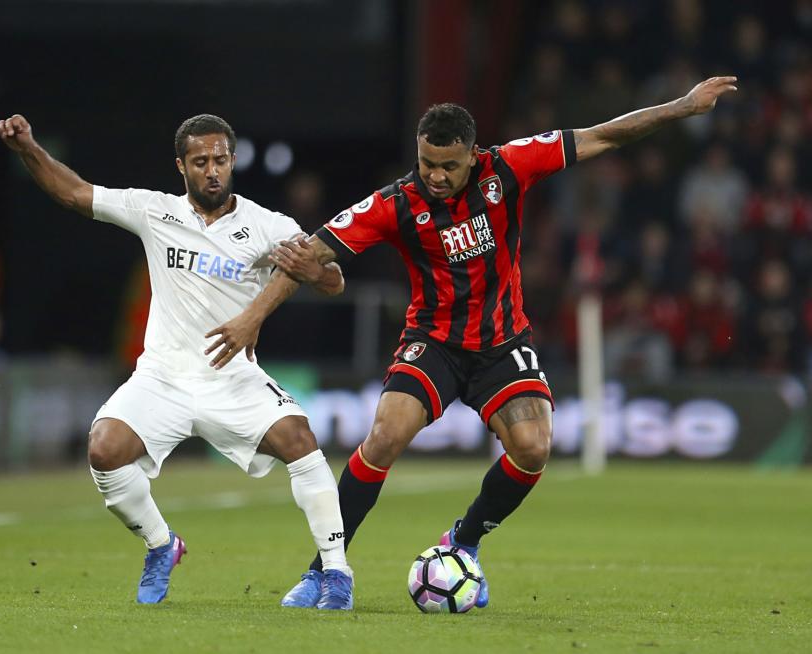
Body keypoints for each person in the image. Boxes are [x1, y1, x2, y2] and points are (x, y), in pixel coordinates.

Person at [205, 76, 738, 608]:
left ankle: (463, 543)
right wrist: (252, 318)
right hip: (432, 342)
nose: (435, 176)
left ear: (472, 156)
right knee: (385, 436)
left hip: (502, 344)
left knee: (532, 449)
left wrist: (682, 107)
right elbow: (309, 255)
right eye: (426, 163)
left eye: (448, 166)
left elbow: (603, 136)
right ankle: (327, 571)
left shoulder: (509, 166)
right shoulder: (393, 203)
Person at [0, 113, 354, 608]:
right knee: (104, 449)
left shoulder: (269, 225)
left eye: (221, 160)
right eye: (201, 161)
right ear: (181, 166)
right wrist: (28, 149)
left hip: (232, 378)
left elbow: (334, 282)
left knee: (300, 439)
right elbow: (74, 193)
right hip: (163, 377)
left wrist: (311, 269)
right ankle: (162, 544)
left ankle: (336, 573)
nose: (213, 171)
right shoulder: (154, 211)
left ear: (232, 161)